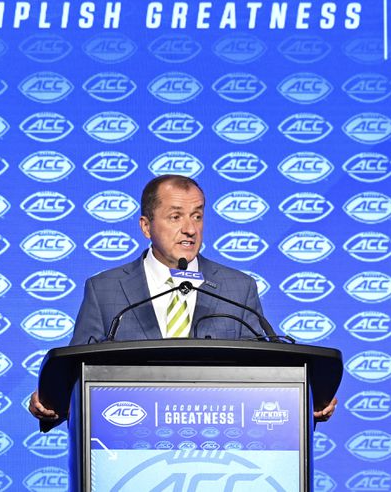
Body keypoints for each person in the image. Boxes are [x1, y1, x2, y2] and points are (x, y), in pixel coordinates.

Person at [29, 174, 337, 421]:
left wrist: (304, 398)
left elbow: (267, 368)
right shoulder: (104, 289)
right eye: (175, 217)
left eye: (197, 216)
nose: (189, 229)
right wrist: (52, 402)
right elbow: (74, 377)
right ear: (146, 226)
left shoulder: (238, 287)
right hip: (127, 440)